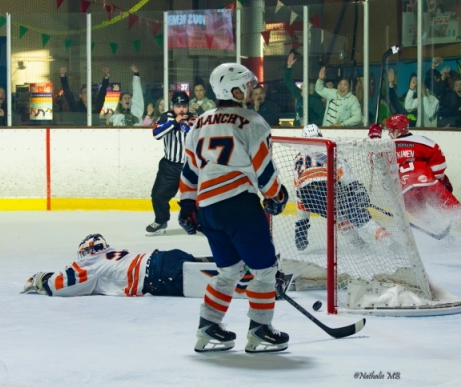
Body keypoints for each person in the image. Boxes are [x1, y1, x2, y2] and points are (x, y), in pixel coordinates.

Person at [178, 62, 290, 353]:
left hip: (207, 210)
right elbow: (263, 168)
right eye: (248, 86)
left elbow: (190, 170)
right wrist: (276, 196)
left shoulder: (199, 122)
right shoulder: (252, 121)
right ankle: (261, 331)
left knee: (228, 271)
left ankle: (208, 328)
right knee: (265, 271)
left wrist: (187, 206)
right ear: (234, 89)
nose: (251, 91)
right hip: (239, 206)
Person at [380, 114, 461, 249]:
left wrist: (374, 136)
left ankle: (447, 238)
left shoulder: (385, 147)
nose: (389, 134)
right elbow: (439, 167)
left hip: (405, 192)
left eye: (389, 131)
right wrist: (440, 181)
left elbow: (375, 163)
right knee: (454, 211)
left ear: (396, 131)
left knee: (424, 215)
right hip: (428, 184)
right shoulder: (424, 141)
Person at [20, 234, 221, 297]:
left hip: (158, 276)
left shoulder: (89, 264)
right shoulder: (113, 252)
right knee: (208, 265)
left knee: (214, 284)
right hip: (166, 257)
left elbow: (57, 286)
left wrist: (41, 279)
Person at [292, 124, 390, 251]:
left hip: (309, 198)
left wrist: (302, 225)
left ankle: (359, 245)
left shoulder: (297, 158)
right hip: (328, 188)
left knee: (336, 213)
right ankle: (389, 242)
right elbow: (344, 173)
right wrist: (356, 189)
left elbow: (298, 189)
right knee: (357, 214)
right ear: (320, 136)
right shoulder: (329, 148)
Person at [146, 90, 194, 236]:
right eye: (178, 106)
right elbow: (156, 134)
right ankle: (161, 221)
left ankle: (198, 222)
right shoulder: (166, 117)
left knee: (196, 198)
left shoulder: (194, 118)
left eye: (184, 105)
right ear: (173, 106)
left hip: (190, 166)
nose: (182, 109)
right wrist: (174, 122)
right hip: (170, 166)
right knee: (158, 195)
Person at [284, 52, 325, 127]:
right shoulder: (298, 93)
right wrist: (289, 66)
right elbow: (288, 81)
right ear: (302, 86)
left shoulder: (315, 101)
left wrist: (309, 124)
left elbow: (323, 119)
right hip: (296, 130)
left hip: (310, 132)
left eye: (311, 89)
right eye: (306, 87)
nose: (308, 90)